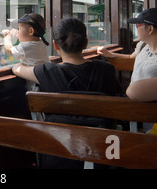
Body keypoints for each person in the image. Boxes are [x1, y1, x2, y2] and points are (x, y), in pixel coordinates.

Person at [12, 17, 120, 168]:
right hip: (103, 152)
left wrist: (19, 63)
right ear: (86, 43)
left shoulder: (47, 71)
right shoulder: (106, 70)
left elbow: (16, 69)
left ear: (55, 45)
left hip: (59, 155)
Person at [97, 8, 157, 84]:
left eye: (138, 25)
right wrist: (110, 54)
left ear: (150, 29)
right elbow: (131, 57)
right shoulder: (143, 46)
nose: (136, 28)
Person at [3, 13, 49, 91]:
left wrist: (7, 37)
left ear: (31, 31)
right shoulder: (40, 42)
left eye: (19, 29)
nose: (17, 31)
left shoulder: (25, 47)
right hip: (44, 80)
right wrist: (20, 32)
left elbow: (9, 50)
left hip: (35, 86)